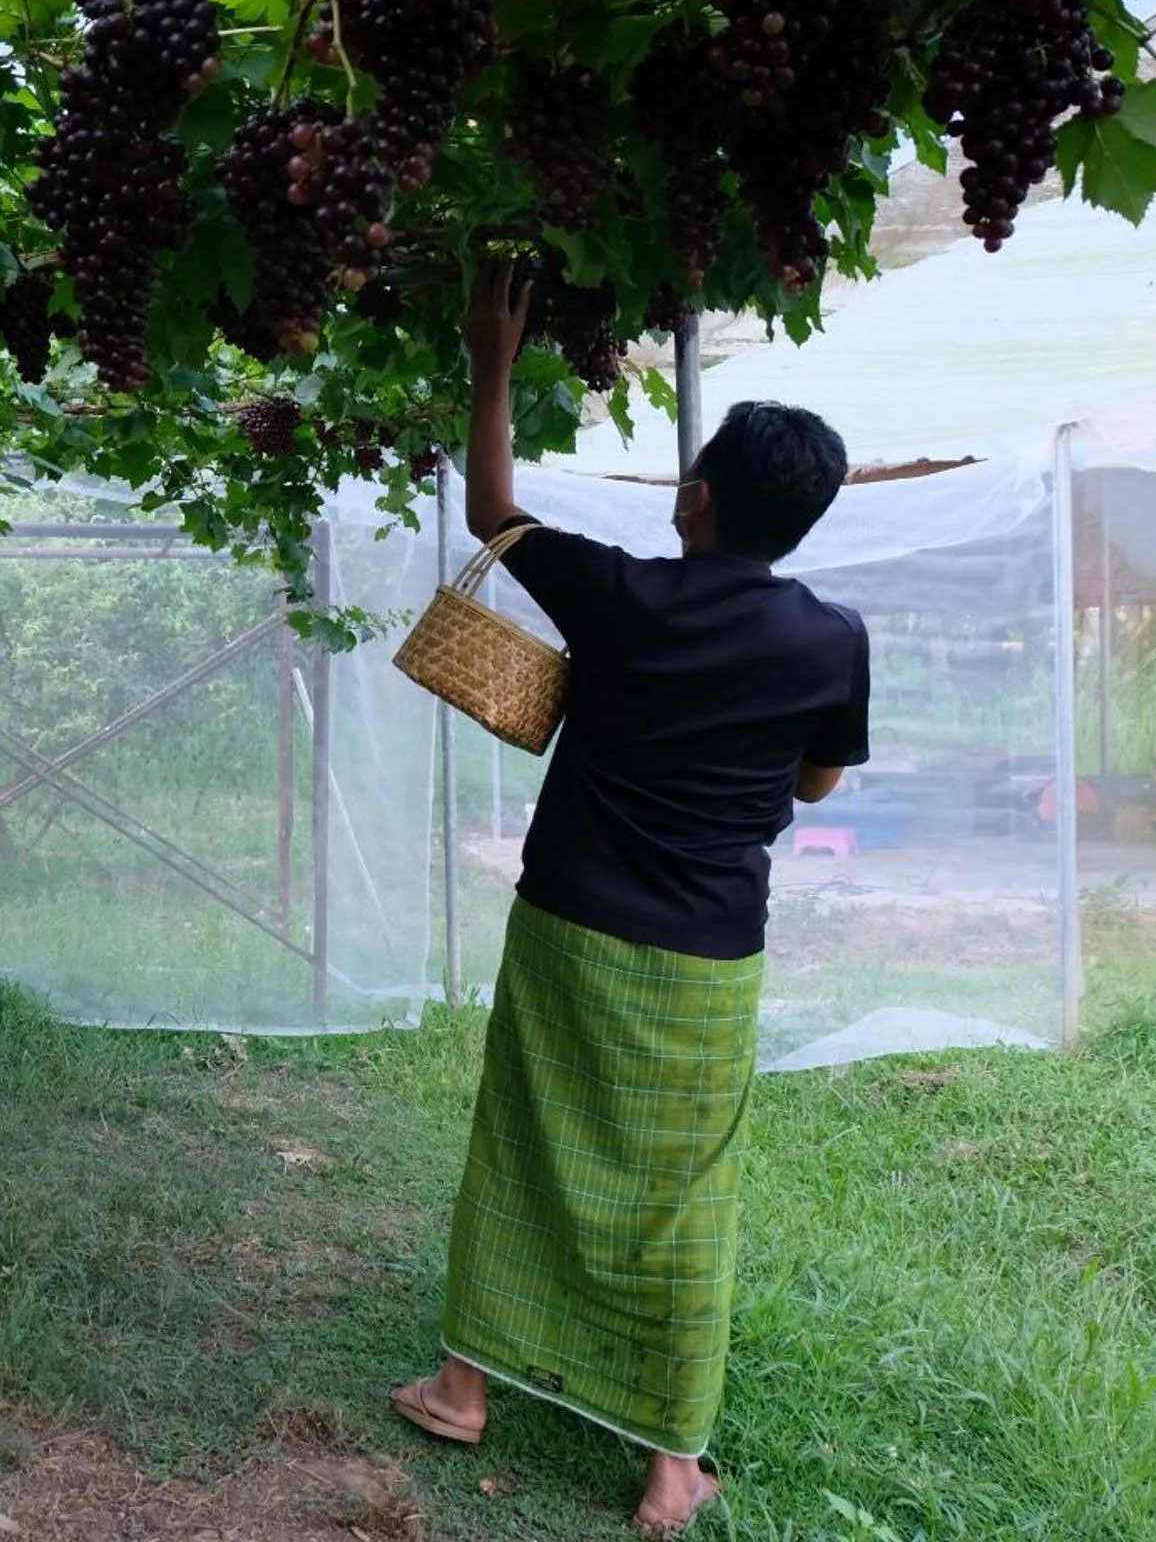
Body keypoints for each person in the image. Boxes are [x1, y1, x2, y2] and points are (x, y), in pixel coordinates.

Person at [389, 265, 871, 1539]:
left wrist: (494, 357)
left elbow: (492, 508)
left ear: (692, 495)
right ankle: (670, 1469)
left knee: (522, 1144)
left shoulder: (617, 591)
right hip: (709, 955)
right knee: (684, 1196)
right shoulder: (831, 640)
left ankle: (460, 1387)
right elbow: (818, 781)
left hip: (568, 921)